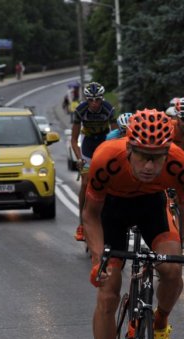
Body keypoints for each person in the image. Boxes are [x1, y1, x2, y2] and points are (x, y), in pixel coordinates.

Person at [83, 109, 184, 339]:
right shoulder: (106, 157)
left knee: (170, 270)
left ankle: (161, 322)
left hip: (153, 206)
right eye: (142, 155)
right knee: (107, 290)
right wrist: (96, 259)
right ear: (129, 148)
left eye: (158, 156)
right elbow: (90, 215)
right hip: (112, 211)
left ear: (168, 150)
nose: (151, 165)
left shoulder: (178, 162)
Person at [71, 82, 116, 241]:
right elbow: (74, 139)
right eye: (91, 100)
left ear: (102, 98)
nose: (95, 103)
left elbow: (117, 135)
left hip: (104, 143)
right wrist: (79, 159)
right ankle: (82, 224)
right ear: (86, 100)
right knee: (85, 183)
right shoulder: (80, 111)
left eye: (97, 99)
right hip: (88, 145)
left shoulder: (108, 109)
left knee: (113, 182)